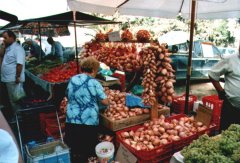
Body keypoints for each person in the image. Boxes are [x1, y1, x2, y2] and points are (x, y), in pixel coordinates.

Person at [64, 56, 109, 163]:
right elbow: (105, 102)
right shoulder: (94, 82)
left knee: (75, 150)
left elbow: (67, 94)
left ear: (82, 68)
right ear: (93, 70)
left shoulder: (72, 79)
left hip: (71, 119)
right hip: (88, 122)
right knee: (88, 152)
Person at [208, 42, 240, 131]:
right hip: (231, 107)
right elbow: (212, 74)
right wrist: (221, 91)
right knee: (226, 134)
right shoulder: (230, 59)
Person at [1, 30, 25, 114]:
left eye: (5, 38)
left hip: (13, 79)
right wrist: (3, 47)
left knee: (15, 100)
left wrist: (17, 76)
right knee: (12, 99)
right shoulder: (8, 48)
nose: (4, 40)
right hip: (8, 78)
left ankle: (19, 117)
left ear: (11, 38)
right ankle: (17, 115)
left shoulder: (17, 48)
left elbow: (19, 64)